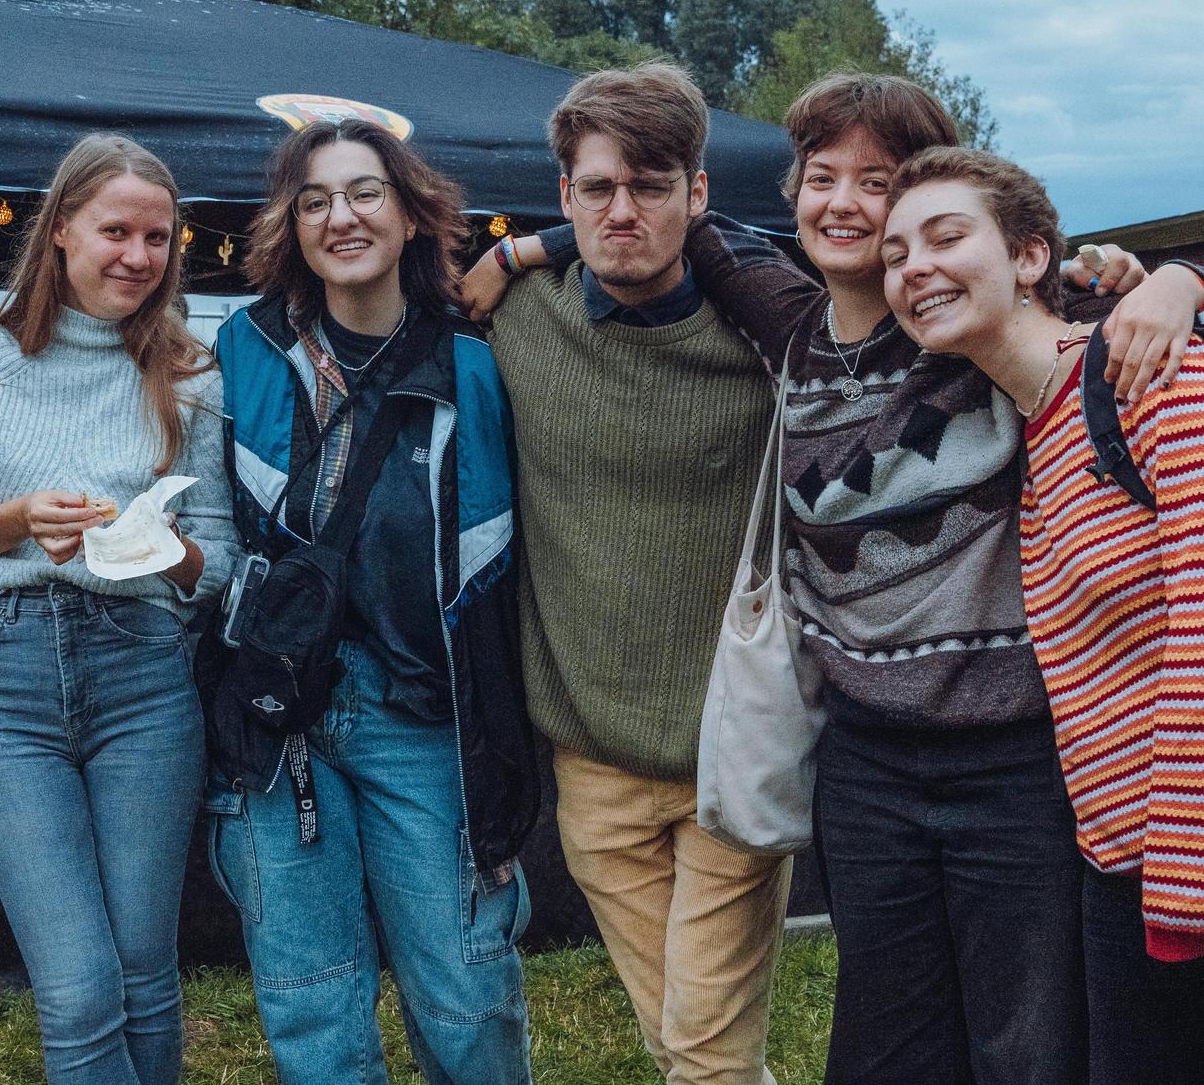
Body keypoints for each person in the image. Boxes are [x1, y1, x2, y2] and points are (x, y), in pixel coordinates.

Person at [465, 72, 1204, 1083]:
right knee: (888, 1041)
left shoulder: (966, 327)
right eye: (822, 177)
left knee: (1027, 1043)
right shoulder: (789, 326)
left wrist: (1172, 276)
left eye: (880, 182)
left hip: (1015, 757)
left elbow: (1075, 294)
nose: (846, 203)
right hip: (864, 757)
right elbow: (669, 217)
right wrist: (523, 246)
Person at [467, 62, 789, 1085]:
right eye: (596, 188)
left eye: (652, 185)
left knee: (702, 1053)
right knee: (684, 1046)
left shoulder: (774, 337)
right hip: (592, 764)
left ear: (699, 195)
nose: (622, 209)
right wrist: (522, 254)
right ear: (562, 193)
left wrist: (1164, 274)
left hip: (733, 751)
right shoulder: (517, 322)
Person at [203, 118, 541, 1084]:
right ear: (291, 225)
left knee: (467, 995)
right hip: (279, 720)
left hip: (423, 715)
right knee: (312, 1004)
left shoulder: (480, 361)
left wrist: (531, 246)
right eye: (314, 201)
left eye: (363, 193)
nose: (339, 217)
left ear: (409, 213)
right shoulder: (244, 348)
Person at [0, 133, 237, 1085]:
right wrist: (15, 520)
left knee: (141, 974)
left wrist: (160, 550)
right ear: (58, 230)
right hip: (5, 684)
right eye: (115, 230)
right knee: (80, 987)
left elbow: (216, 565)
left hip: (144, 676)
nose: (137, 256)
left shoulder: (190, 372)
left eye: (158, 238)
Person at [881, 146, 1204, 1085]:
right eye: (899, 255)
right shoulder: (1037, 421)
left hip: (1180, 869)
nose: (915, 269)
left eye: (946, 238)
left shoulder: (1151, 377)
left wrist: (1175, 893)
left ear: (1030, 258)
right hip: (1124, 866)